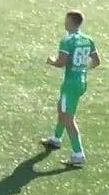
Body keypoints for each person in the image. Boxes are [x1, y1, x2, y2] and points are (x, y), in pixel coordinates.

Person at [42, 10, 100, 166]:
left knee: (68, 118)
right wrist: (82, 68)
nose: (64, 22)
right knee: (61, 108)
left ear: (71, 22)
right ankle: (56, 139)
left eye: (66, 20)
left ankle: (78, 153)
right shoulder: (88, 39)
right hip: (80, 82)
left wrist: (51, 61)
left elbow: (61, 62)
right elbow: (96, 61)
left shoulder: (67, 41)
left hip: (70, 84)